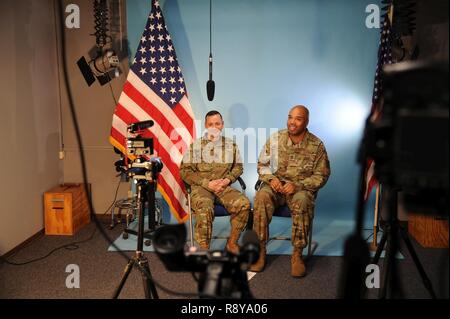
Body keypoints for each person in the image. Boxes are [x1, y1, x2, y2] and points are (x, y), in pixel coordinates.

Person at [250, 105, 330, 277]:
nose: (292, 122)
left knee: (302, 200)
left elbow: (321, 176)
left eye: (298, 118)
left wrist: (298, 185)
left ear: (306, 121)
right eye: (290, 117)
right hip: (276, 187)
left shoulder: (316, 145)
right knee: (262, 196)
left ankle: (297, 255)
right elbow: (262, 165)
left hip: (299, 190)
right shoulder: (276, 138)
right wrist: (272, 179)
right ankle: (260, 251)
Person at [180, 110, 250, 254]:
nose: (214, 126)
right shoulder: (196, 146)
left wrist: (227, 180)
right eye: (210, 123)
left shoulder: (231, 145)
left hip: (223, 187)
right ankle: (203, 251)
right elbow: (185, 171)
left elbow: (238, 167)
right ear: (206, 125)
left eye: (217, 123)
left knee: (244, 205)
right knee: (205, 208)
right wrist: (207, 184)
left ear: (222, 125)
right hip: (202, 188)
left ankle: (232, 243)